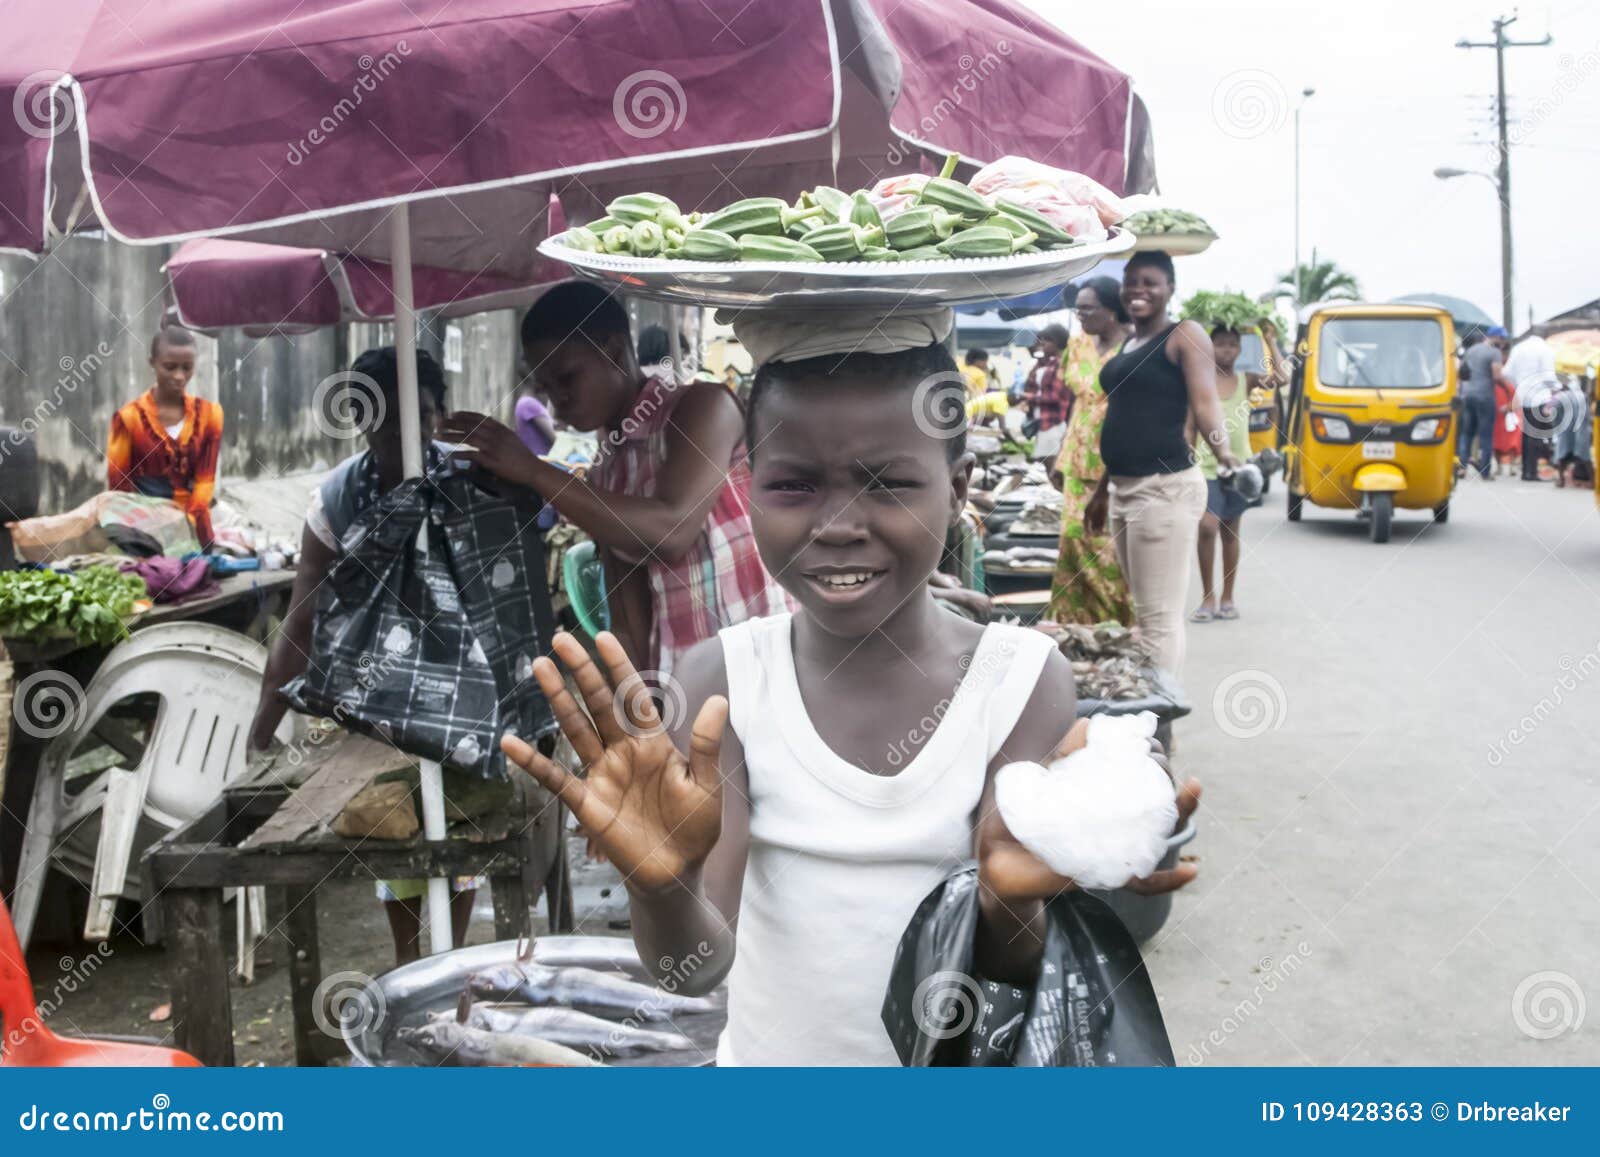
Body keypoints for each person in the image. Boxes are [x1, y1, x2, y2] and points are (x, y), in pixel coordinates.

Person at [500, 307, 1202, 1065]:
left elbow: (1004, 988)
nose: (838, 524)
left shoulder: (1020, 681)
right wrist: (661, 887)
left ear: (956, 486)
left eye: (889, 483)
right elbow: (694, 968)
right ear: (749, 484)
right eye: (794, 484)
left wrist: (1011, 906)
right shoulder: (722, 678)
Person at [246, 347, 480, 965]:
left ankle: (453, 962)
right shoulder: (339, 500)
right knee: (391, 827)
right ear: (360, 420)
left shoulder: (473, 482)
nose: (407, 435)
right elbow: (302, 617)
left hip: (467, 687)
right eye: (386, 423)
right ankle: (410, 963)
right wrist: (264, 722)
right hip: (381, 693)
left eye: (422, 417)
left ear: (442, 414)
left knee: (459, 828)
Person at [440, 281, 789, 679]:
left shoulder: (700, 407)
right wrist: (637, 698)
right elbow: (624, 603)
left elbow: (671, 531)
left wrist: (535, 471)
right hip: (687, 681)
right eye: (546, 387)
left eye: (567, 378)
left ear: (614, 350)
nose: (557, 401)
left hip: (763, 665)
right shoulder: (606, 466)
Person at [1084, 251, 1241, 675]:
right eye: (1131, 281)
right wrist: (1101, 490)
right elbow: (1122, 419)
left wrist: (1225, 455)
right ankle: (1148, 712)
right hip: (1123, 488)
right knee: (1143, 613)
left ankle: (1155, 719)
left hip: (1163, 489)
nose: (1138, 289)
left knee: (1158, 622)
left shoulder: (1184, 335)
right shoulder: (1129, 343)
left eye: (1150, 282)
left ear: (1171, 288)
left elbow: (1206, 403)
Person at [1047, 278, 1135, 626]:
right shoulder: (1078, 344)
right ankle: (1077, 630)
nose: (1079, 314)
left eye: (1087, 308)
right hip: (1076, 458)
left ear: (1111, 311)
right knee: (1072, 546)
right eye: (1077, 307)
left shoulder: (1132, 348)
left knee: (1109, 554)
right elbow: (1076, 402)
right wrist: (1061, 452)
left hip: (1115, 462)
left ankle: (1119, 628)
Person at [107, 325, 224, 547]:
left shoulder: (210, 415)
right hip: (146, 531)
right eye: (169, 367)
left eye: (187, 367)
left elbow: (205, 479)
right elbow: (119, 489)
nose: (179, 376)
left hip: (195, 528)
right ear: (152, 363)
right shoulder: (128, 419)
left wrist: (190, 520)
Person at [1190, 325, 1255, 623]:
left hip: (1237, 467)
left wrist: (1269, 338)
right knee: (1207, 526)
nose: (1226, 350)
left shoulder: (1246, 380)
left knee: (1230, 531)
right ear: (1209, 346)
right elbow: (1190, 420)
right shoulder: (1199, 380)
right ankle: (1207, 596)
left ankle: (1228, 596)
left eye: (1232, 344)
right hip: (1205, 466)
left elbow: (1282, 377)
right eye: (1220, 344)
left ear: (1240, 349)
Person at [1502, 331, 1557, 482]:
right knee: (1536, 435)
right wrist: (1553, 393)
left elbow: (1506, 372)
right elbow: (1549, 376)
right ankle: (1532, 472)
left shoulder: (1518, 348)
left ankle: (1526, 471)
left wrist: (1519, 385)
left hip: (1523, 395)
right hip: (1539, 396)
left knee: (1526, 434)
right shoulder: (1545, 349)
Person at [1458, 326, 1506, 480]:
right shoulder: (1494, 352)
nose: (1503, 342)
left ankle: (1461, 468)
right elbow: (1497, 375)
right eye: (1502, 339)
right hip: (1485, 396)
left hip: (1467, 395)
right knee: (1486, 435)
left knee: (1466, 434)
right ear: (1496, 337)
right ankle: (1485, 472)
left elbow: (1462, 371)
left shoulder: (1471, 350)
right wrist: (1508, 389)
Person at [1022, 323, 1072, 461]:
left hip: (1054, 423)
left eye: (1048, 339)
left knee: (1052, 466)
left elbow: (1054, 397)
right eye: (1041, 339)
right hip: (1043, 422)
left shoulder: (1061, 364)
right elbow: (1031, 383)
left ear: (1059, 342)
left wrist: (1028, 397)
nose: (1042, 342)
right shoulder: (1045, 363)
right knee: (1046, 465)